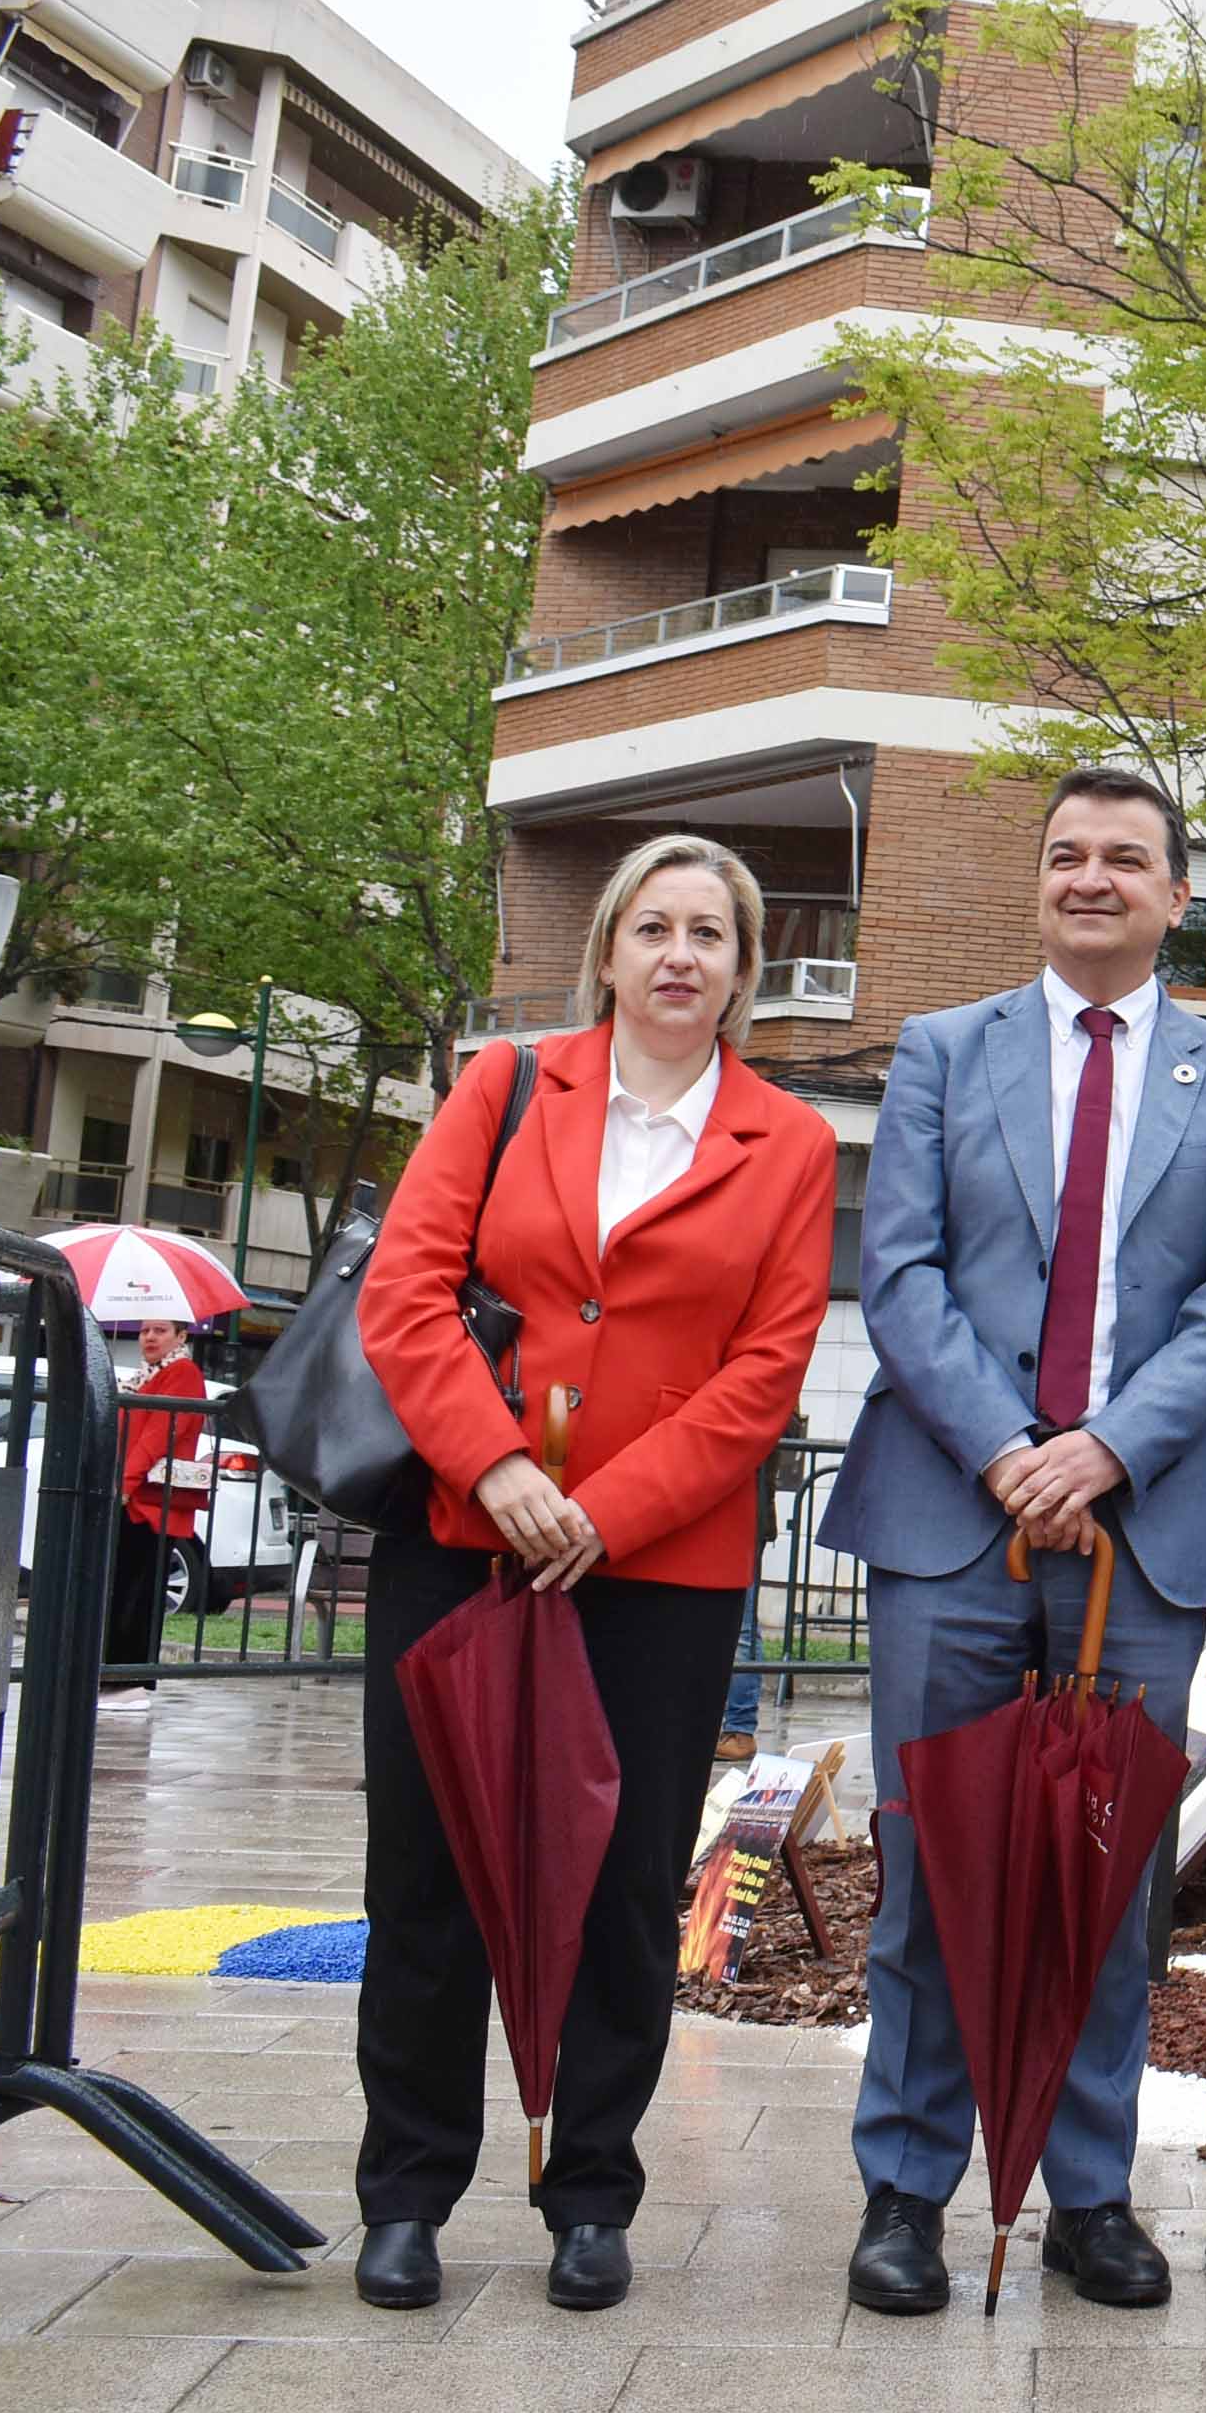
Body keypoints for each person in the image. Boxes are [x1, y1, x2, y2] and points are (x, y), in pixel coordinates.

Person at [347, 834, 840, 2316]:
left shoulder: (792, 1144)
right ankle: (407, 2193)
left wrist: (605, 1513)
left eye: (713, 934)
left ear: (746, 975)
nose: (680, 955)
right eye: (654, 928)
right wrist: (495, 1467)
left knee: (624, 1888)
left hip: (659, 1573)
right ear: (610, 952)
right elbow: (406, 1289)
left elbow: (764, 1374)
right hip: (460, 1544)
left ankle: (591, 2195)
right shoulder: (502, 1089)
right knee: (428, 1875)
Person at [830, 768, 1206, 2316]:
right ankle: (906, 2187)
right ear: (1040, 884)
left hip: (1143, 1531)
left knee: (1109, 1882)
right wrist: (1015, 1452)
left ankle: (1092, 2192)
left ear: (1179, 897)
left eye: (1126, 860)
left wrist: (1107, 1448)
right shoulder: (941, 1052)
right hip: (952, 1522)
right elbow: (897, 1272)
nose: (1091, 879)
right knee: (928, 1870)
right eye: (1066, 857)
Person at [102, 1316, 209, 1711]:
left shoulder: (183, 1373)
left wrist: (124, 1485)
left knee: (139, 1593)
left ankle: (128, 1684)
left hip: (149, 1502)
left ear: (181, 1336)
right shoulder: (145, 1374)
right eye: (145, 1330)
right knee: (124, 1590)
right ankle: (114, 1678)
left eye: (160, 1330)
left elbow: (158, 1434)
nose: (149, 1337)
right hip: (135, 1497)